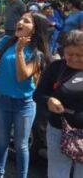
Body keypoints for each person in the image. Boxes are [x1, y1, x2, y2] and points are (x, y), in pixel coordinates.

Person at [0, 11, 50, 178]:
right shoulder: (5, 41)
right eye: (20, 19)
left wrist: (19, 51)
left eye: (26, 21)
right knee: (2, 142)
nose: (20, 22)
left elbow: (22, 76)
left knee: (21, 146)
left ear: (35, 29)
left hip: (24, 105)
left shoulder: (38, 53)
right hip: (2, 101)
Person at [34, 30, 83, 178]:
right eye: (70, 54)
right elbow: (37, 94)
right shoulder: (56, 68)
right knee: (58, 173)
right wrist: (48, 100)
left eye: (80, 54)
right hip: (58, 130)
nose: (74, 59)